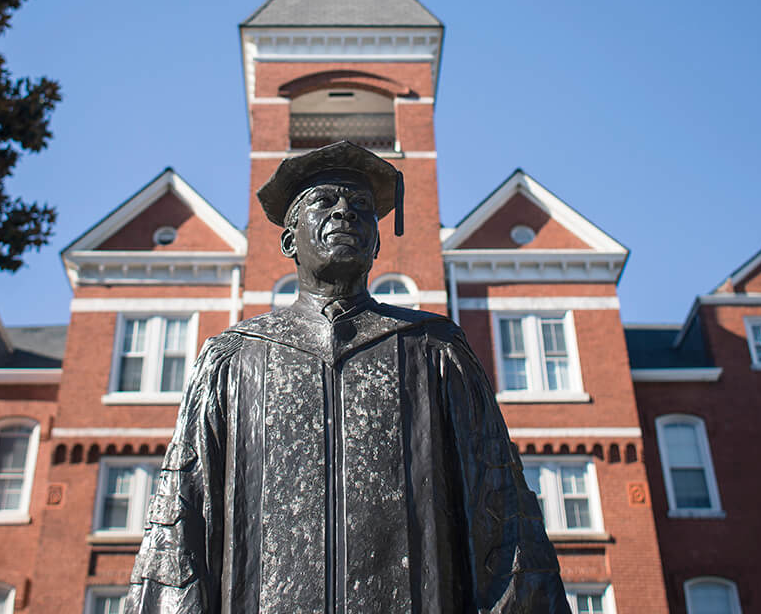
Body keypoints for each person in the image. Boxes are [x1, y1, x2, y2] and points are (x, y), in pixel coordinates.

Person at [126, 141, 571, 614]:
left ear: (378, 244)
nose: (344, 213)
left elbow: (502, 517)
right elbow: (181, 519)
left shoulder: (433, 348)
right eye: (324, 202)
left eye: (360, 206)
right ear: (289, 239)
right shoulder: (233, 360)